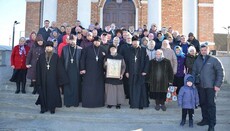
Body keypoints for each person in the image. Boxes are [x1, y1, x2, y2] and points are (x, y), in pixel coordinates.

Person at [192, 44, 224, 131]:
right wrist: (193, 82)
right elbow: (194, 72)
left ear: (208, 50)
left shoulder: (214, 60)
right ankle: (205, 120)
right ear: (200, 51)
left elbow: (220, 72)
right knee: (203, 104)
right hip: (201, 86)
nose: (203, 52)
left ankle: (212, 124)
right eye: (202, 50)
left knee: (211, 105)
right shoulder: (197, 60)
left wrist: (217, 85)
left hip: (211, 87)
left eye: (205, 50)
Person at [35, 41, 68, 114]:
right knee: (43, 93)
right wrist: (38, 79)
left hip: (53, 80)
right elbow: (38, 69)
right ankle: (43, 108)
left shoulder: (56, 56)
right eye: (47, 47)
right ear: (45, 48)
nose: (48, 48)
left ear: (52, 48)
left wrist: (60, 79)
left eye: (50, 47)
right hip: (43, 79)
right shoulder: (41, 56)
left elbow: (60, 69)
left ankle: (52, 108)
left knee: (52, 94)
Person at [80, 36, 106, 108]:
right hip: (88, 71)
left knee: (98, 88)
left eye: (98, 41)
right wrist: (82, 68)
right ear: (93, 42)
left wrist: (105, 70)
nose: (97, 42)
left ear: (100, 42)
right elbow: (82, 59)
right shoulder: (87, 49)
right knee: (88, 87)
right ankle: (88, 103)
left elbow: (106, 61)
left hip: (99, 72)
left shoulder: (103, 50)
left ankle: (98, 103)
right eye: (95, 41)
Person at [125, 35, 149, 109]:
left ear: (139, 42)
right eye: (134, 41)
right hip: (132, 73)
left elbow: (147, 61)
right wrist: (127, 71)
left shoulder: (144, 50)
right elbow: (126, 62)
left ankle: (140, 104)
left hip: (140, 73)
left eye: (136, 41)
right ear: (132, 42)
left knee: (141, 89)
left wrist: (145, 71)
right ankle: (133, 104)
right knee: (132, 89)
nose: (135, 43)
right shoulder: (128, 50)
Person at [60, 35, 82, 107]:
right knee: (67, 87)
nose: (72, 41)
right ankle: (68, 102)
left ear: (76, 41)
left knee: (76, 87)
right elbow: (62, 60)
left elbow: (82, 61)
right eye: (71, 40)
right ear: (68, 41)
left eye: (74, 40)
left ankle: (75, 102)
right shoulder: (65, 48)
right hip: (67, 70)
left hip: (76, 71)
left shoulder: (80, 49)